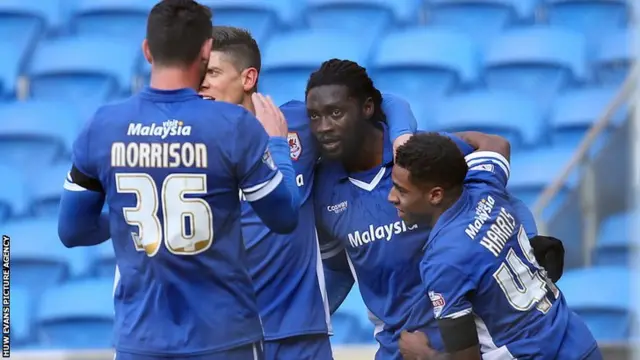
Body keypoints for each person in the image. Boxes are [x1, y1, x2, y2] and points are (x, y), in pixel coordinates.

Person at [57, 1, 300, 359]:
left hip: (141, 339)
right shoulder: (233, 127)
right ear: (205, 50)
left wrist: (136, 220)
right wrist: (278, 146)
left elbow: (72, 230)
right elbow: (284, 217)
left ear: (146, 50)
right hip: (223, 338)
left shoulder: (103, 126)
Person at [309, 59, 566, 359]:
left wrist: (527, 243)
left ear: (367, 109)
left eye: (335, 113)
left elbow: (493, 189)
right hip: (400, 347)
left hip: (467, 344)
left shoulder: (418, 158)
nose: (323, 127)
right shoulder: (323, 189)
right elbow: (338, 268)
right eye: (314, 116)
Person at [198, 26, 417, 360]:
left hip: (300, 334)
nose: (201, 83)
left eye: (212, 72)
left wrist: (402, 138)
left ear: (248, 78)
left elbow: (386, 101)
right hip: (228, 335)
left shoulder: (299, 123)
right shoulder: (187, 148)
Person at [391, 132, 600, 360]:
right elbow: (496, 143)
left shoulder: (443, 261)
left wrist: (423, 354)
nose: (392, 197)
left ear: (435, 195)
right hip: (575, 340)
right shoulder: (483, 185)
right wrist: (436, 148)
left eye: (401, 190)